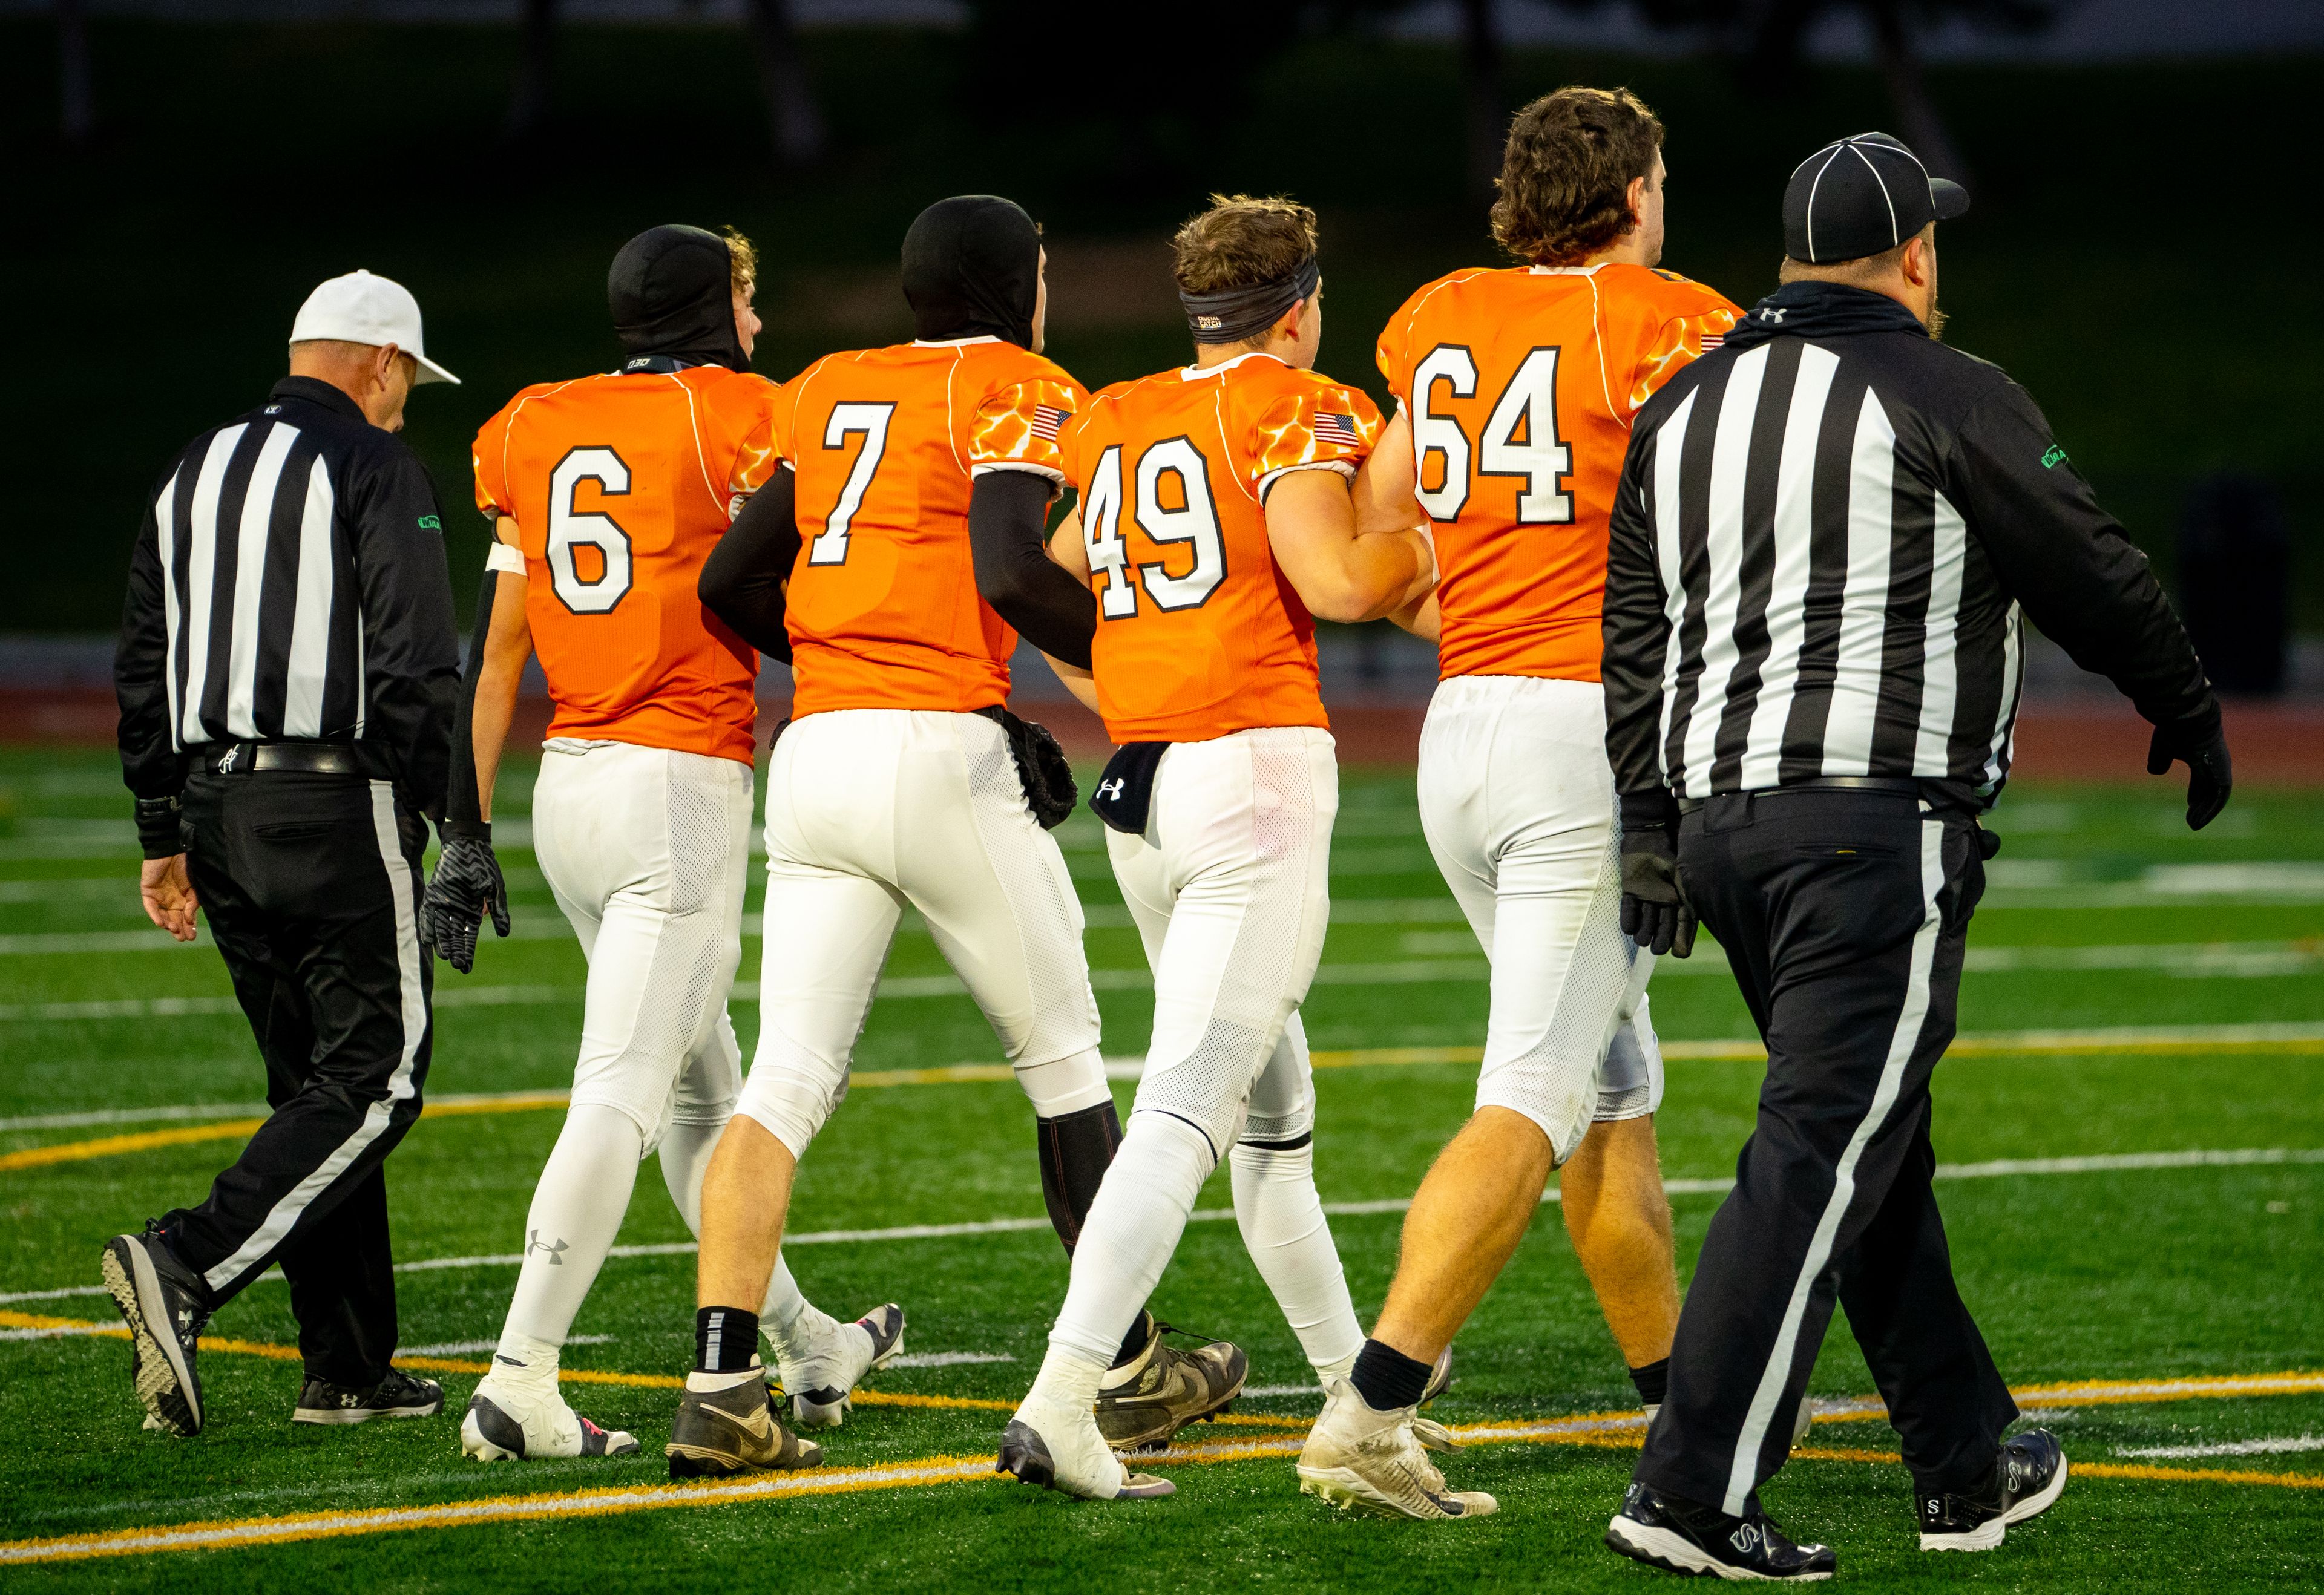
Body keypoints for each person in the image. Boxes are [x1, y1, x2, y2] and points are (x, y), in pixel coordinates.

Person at [1598, 132, 2231, 1579]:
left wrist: (1649, 823)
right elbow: (2090, 559)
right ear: (1919, 254)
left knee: (1868, 1143)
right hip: (1869, 824)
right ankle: (1693, 1487)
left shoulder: (1683, 402)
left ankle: (1964, 1460)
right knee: (1826, 1144)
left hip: (1720, 829)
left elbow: (1635, 628)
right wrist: (2187, 707)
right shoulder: (1946, 388)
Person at [674, 195, 1243, 1479]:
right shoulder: (1023, 382)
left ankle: (719, 1385)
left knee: (782, 1081)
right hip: (936, 754)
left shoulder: (825, 384)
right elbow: (1006, 566)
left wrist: (856, 666)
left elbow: (728, 583)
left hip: (818, 749)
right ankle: (1132, 1369)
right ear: (1018, 287)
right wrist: (1133, 655)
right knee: (1065, 1066)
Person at [1298, 87, 1748, 1521]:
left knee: (1610, 1092)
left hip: (1466, 728)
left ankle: (1679, 1408)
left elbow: (1382, 516)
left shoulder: (1438, 317)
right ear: (1631, 196)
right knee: (1538, 1092)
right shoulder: (1672, 317)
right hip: (1581, 743)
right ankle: (1371, 1406)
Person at [994, 194, 1439, 1502]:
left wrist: (1124, 687)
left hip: (1153, 789)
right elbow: (1345, 587)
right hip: (1250, 772)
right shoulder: (1300, 408)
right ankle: (1065, 1396)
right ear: (1299, 305)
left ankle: (1356, 1387)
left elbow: (1058, 570)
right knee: (1192, 1104)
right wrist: (1433, 547)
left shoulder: (1123, 410)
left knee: (1273, 1115)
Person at [438, 224, 886, 1465]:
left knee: (702, 1089)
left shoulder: (533, 420)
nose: (759, 320)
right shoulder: (741, 410)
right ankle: (520, 1372)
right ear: (712, 305)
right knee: (627, 1092)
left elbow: (504, 652)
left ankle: (807, 1342)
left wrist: (462, 829)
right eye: (746, 294)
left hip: (565, 786)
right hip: (674, 786)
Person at [107, 269, 463, 1436]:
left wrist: (162, 828)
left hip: (216, 807)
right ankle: (188, 1261)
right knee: (376, 1080)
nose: (405, 401)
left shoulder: (193, 467)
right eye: (407, 380)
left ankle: (348, 1367)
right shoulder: (374, 465)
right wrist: (457, 822)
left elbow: (143, 655)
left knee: (312, 1082)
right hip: (329, 804)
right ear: (381, 363)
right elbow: (415, 665)